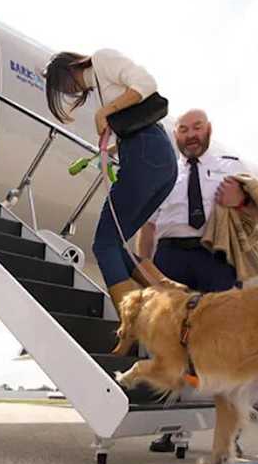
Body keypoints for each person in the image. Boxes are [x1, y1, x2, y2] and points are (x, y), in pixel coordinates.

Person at [136, 108, 255, 453]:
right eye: (183, 129)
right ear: (176, 136)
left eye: (196, 127)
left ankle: (233, 433)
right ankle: (173, 427)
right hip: (170, 257)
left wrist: (241, 198)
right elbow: (149, 226)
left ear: (208, 130)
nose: (190, 134)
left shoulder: (230, 165)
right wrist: (146, 267)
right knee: (170, 344)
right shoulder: (163, 173)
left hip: (214, 257)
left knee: (227, 345)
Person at [43, 49, 177, 309]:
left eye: (61, 84)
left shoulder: (102, 59)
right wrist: (112, 147)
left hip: (145, 153)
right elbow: (133, 124)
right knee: (115, 245)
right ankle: (169, 297)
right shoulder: (101, 87)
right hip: (156, 159)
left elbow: (146, 84)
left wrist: (105, 113)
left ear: (69, 68)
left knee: (104, 244)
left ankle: (133, 323)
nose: (66, 90)